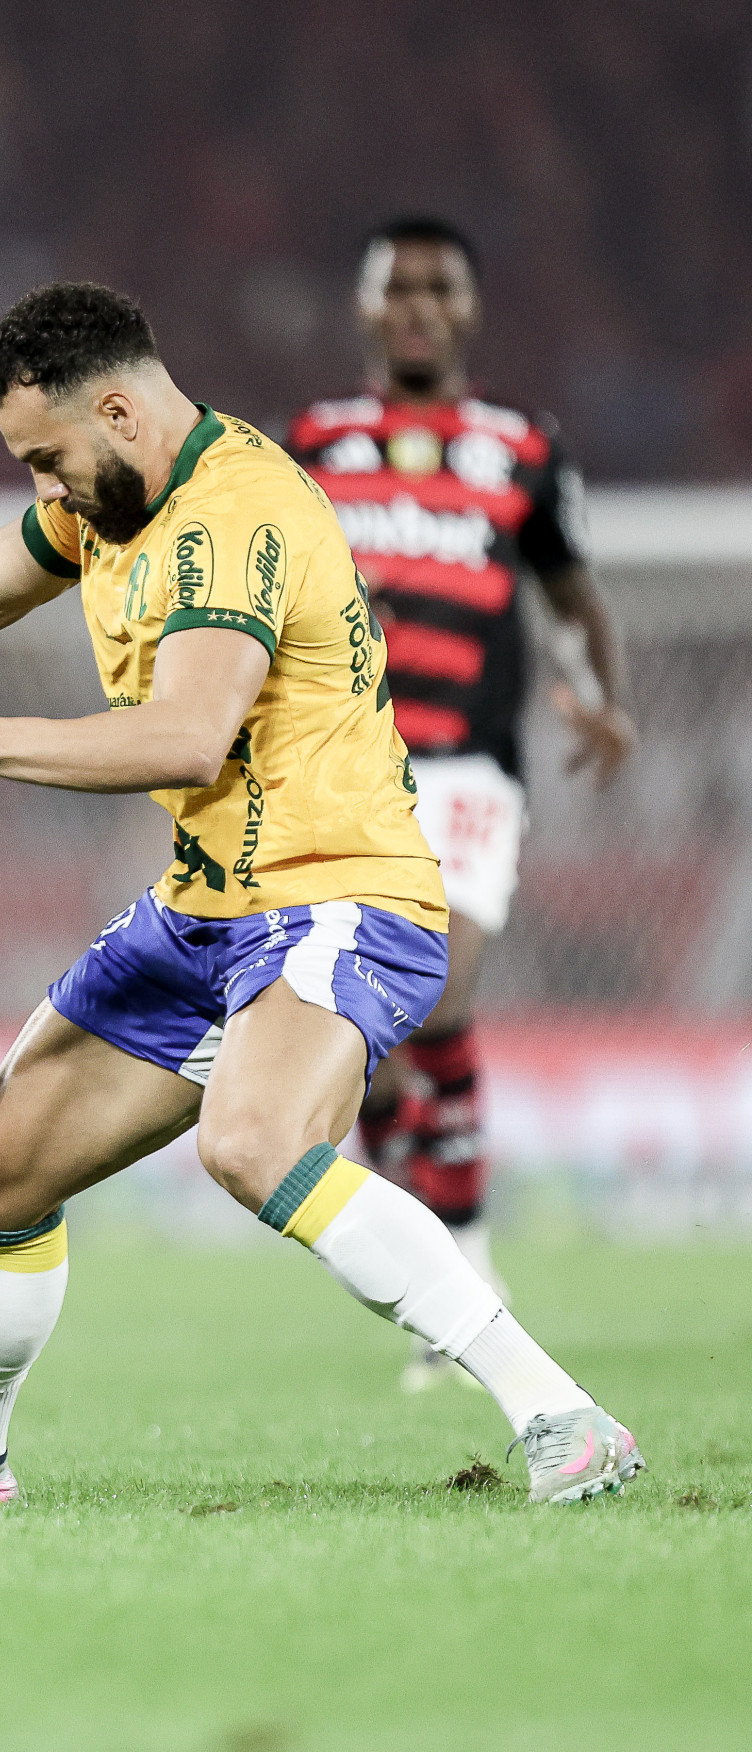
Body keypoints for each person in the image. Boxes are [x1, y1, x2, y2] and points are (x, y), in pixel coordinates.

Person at [0, 280, 644, 1507]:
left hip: (338, 895)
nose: (43, 490)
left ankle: (564, 1417)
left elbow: (185, 740)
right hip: (207, 908)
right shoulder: (110, 502)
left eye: (48, 459)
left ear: (117, 409)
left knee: (258, 1144)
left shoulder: (235, 517)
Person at [286, 217, 635, 1389]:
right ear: (368, 307)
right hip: (342, 766)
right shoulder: (315, 444)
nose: (420, 306)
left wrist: (600, 693)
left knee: (436, 998)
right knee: (374, 1043)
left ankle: (468, 1256)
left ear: (470, 309)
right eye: (401, 286)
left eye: (441, 287)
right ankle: (435, 1263)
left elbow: (573, 591)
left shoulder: (522, 444)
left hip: (468, 768)